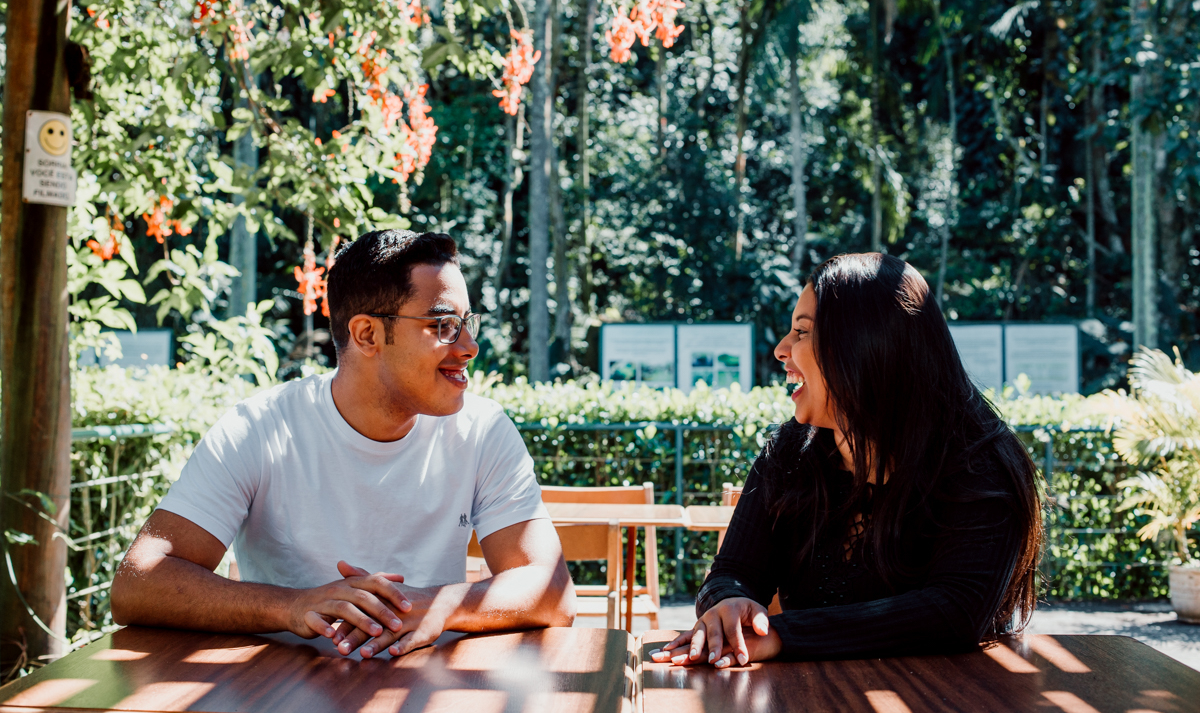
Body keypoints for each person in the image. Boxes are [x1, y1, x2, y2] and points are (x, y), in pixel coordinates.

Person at [111, 230, 575, 658]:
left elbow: (552, 590)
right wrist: (293, 607)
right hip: (275, 694)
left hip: (429, 690)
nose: (470, 345)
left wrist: (436, 605)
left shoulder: (482, 429)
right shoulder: (260, 427)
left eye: (467, 322)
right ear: (367, 334)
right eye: (443, 326)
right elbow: (137, 585)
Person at [652, 253, 1042, 668]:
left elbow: (953, 611)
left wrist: (784, 634)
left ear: (866, 346)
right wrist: (730, 604)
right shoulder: (789, 453)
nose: (782, 350)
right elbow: (733, 569)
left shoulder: (982, 465)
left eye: (802, 332)